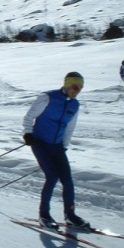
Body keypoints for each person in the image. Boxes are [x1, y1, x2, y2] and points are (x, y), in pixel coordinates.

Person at [22, 72, 90, 230]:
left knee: (67, 179)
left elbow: (69, 127)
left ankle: (70, 215)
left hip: (57, 146)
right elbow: (29, 116)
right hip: (39, 142)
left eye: (80, 88)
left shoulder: (75, 105)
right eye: (74, 86)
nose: (77, 90)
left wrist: (64, 146)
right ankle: (44, 215)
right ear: (67, 85)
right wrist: (28, 133)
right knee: (52, 177)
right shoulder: (47, 98)